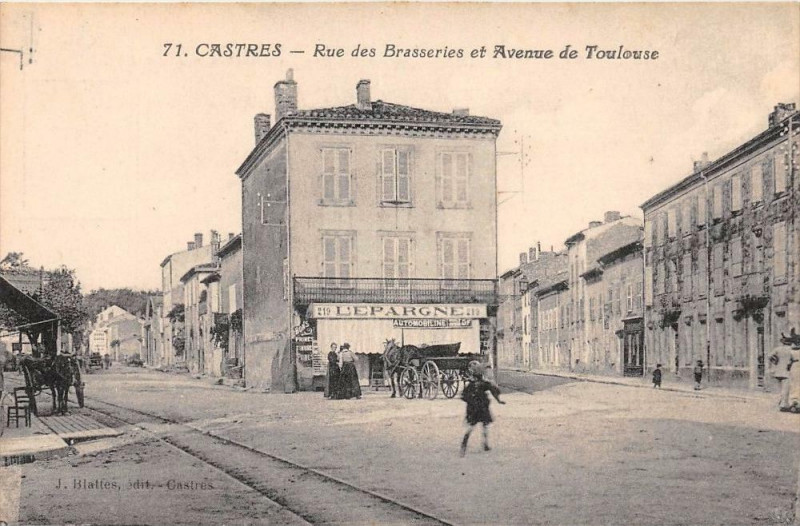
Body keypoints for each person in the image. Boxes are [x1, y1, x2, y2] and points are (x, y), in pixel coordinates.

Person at [460, 361, 505, 457]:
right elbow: (494, 391)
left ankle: (464, 444)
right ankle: (485, 444)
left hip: (473, 409)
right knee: (485, 425)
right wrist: (499, 400)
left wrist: (470, 402)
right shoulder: (484, 384)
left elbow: (463, 396)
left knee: (471, 427)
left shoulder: (471, 385)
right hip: (483, 408)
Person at [769, 330, 797, 411]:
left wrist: (775, 361)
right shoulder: (791, 350)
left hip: (778, 371)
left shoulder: (778, 349)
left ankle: (780, 403)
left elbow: (770, 356)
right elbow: (794, 360)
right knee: (786, 389)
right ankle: (783, 405)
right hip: (787, 372)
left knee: (780, 389)